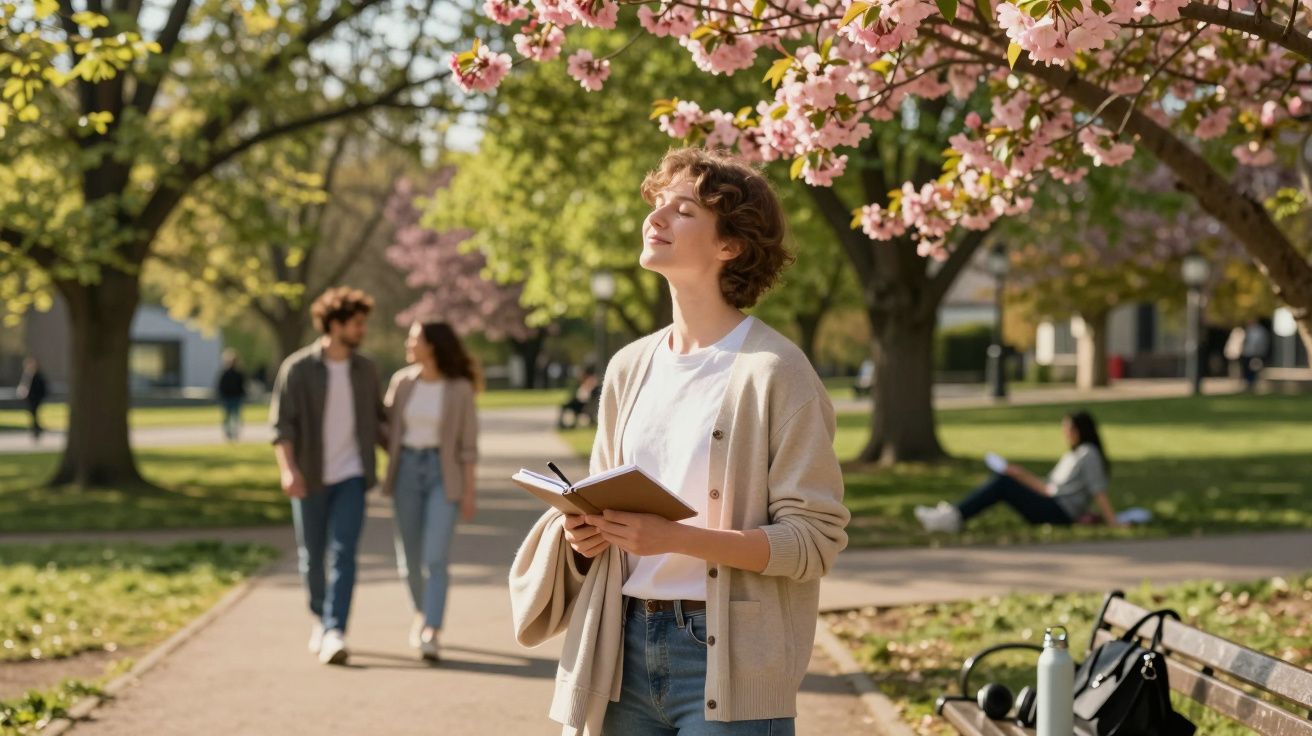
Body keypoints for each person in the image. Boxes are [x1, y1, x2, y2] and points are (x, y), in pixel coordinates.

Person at [510, 148, 850, 735]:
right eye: (657, 204)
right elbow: (602, 498)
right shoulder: (628, 367)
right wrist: (584, 533)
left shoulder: (776, 372)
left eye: (683, 209)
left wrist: (674, 539)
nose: (656, 218)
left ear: (730, 245)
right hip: (618, 652)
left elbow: (814, 542)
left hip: (728, 663)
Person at [269, 286, 388, 666]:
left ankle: (336, 629)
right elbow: (281, 426)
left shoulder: (365, 369)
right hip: (309, 476)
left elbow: (380, 422)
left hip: (352, 475)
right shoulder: (298, 369)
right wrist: (288, 470)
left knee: (345, 554)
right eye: (356, 323)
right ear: (335, 324)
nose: (362, 330)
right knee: (311, 556)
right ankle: (320, 618)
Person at [381, 321, 480, 663]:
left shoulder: (459, 388)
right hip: (406, 470)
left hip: (443, 472)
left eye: (414, 338)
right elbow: (386, 427)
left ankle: (431, 630)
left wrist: (469, 491)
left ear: (433, 345)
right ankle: (421, 613)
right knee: (408, 558)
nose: (408, 343)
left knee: (434, 557)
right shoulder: (402, 382)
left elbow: (468, 446)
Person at [914, 410, 1121, 533]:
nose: (1064, 433)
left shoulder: (1089, 454)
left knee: (1003, 483)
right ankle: (952, 514)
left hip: (1059, 512)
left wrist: (1113, 522)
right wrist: (1021, 474)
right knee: (1005, 478)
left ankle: (953, 517)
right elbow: (1048, 487)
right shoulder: (1075, 454)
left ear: (1080, 430)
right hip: (1053, 505)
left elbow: (1098, 490)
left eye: (1068, 428)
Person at [215, 351, 247, 442]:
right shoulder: (224, 374)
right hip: (228, 398)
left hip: (236, 398)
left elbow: (242, 386)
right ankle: (228, 433)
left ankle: (235, 433)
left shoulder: (239, 374)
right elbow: (221, 386)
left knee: (235, 417)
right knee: (228, 417)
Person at [556, 365, 600, 429]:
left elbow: (586, 395)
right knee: (566, 405)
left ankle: (563, 424)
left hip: (582, 404)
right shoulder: (588, 381)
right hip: (580, 402)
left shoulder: (591, 381)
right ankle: (564, 424)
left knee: (565, 406)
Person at [16, 357, 48, 441]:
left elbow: (41, 388)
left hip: (35, 399)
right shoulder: (28, 375)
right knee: (33, 414)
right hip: (31, 399)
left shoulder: (37, 376)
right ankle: (36, 429)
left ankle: (37, 429)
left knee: (34, 414)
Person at [1239, 318, 1272, 391]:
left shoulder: (1260, 331)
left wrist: (1259, 353)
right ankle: (1247, 384)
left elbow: (1263, 343)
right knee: (1246, 369)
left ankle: (1252, 384)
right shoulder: (1247, 330)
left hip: (1256, 354)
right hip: (1247, 353)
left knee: (1254, 369)